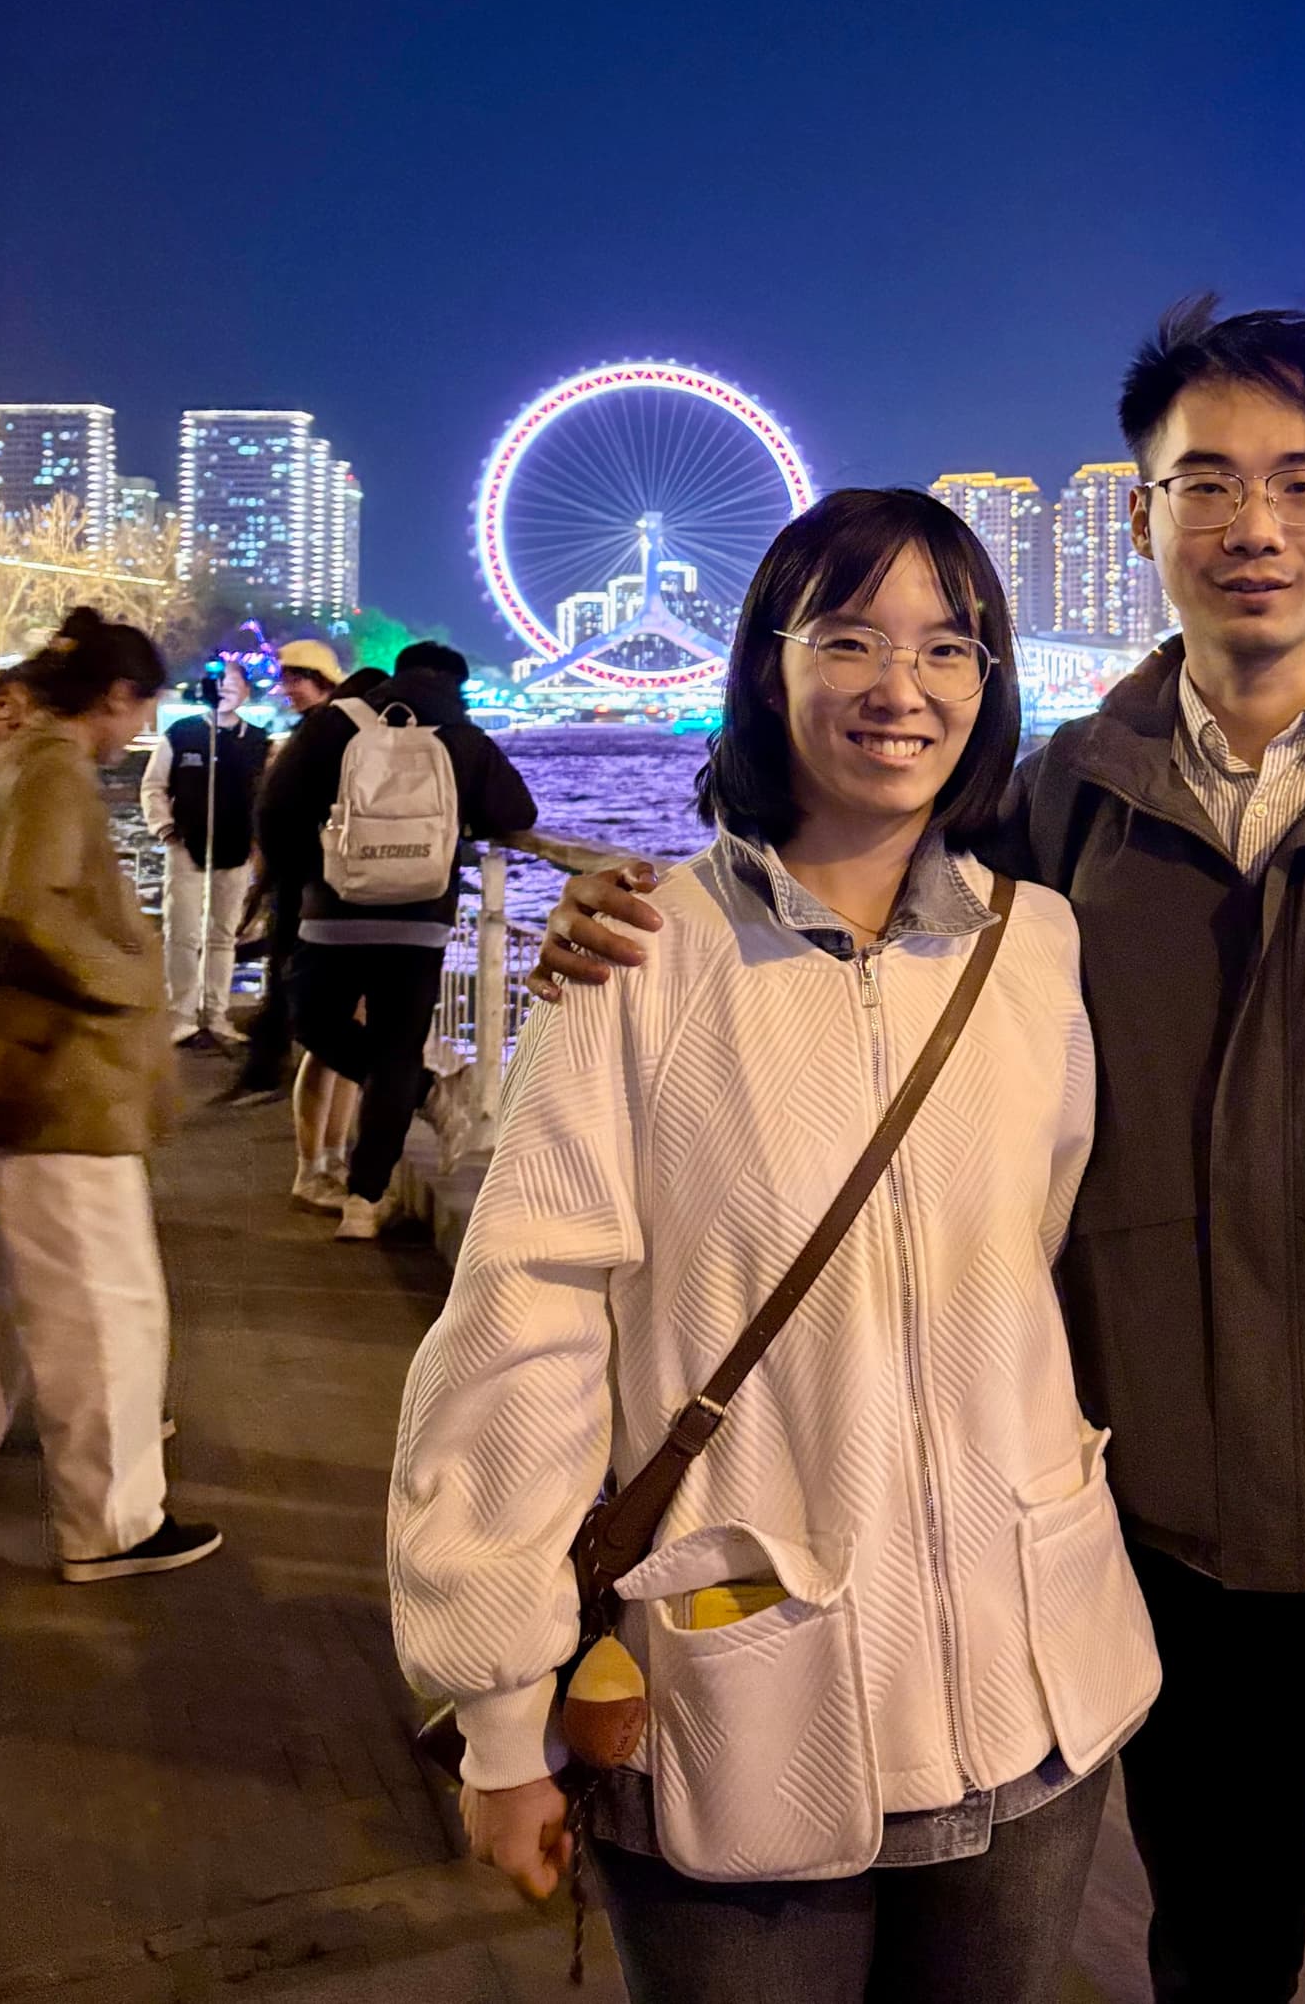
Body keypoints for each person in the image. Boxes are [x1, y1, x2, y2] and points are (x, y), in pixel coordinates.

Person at [542, 305, 1305, 2004]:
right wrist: (633, 909)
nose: (1253, 527)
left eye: (1301, 482)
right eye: (1201, 485)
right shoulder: (1062, 797)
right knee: (1204, 1937)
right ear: (1137, 518)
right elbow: (852, 886)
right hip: (1151, 1519)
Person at [390, 491, 1156, 2004]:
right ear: (767, 664)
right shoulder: (641, 957)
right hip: (742, 1693)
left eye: (950, 644)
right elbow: (525, 1321)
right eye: (852, 637)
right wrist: (496, 1708)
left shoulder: (1039, 948)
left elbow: (1036, 1241)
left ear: (992, 681)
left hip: (1030, 1685)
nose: (903, 684)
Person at [0, 608, 223, 1582]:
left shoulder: (15, 759)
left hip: (24, 1079)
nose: (140, 728)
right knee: (105, 1307)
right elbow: (24, 904)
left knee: (11, 1311)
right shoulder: (49, 765)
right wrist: (129, 978)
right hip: (61, 1087)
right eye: (143, 705)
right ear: (119, 696)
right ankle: (113, 1522)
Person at [260, 642, 535, 1239]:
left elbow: (278, 807)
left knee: (313, 1025)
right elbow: (519, 809)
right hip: (419, 921)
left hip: (331, 914)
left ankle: (423, 1091)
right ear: (454, 683)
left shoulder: (340, 721)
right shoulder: (460, 735)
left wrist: (314, 873)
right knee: (394, 1050)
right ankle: (364, 1203)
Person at [279, 667, 388, 1209]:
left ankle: (329, 1158)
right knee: (330, 1046)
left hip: (329, 909)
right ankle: (313, 1165)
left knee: (339, 1042)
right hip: (340, 911)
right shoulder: (343, 749)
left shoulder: (317, 747)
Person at [224, 640, 345, 1100]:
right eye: (285, 679)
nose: (285, 688)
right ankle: (270, 1065)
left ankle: (273, 1066)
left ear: (321, 681)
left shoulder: (326, 734)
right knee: (285, 971)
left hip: (311, 877)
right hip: (292, 874)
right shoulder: (309, 731)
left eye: (295, 679)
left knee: (296, 975)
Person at [140, 659, 269, 1048]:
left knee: (222, 936)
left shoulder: (258, 741)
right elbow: (153, 786)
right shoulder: (182, 734)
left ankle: (216, 1013)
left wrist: (258, 843)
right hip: (187, 849)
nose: (226, 689)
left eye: (234, 683)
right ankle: (181, 1013)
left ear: (246, 691)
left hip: (235, 851)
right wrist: (165, 829)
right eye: (220, 682)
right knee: (181, 933)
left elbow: (266, 797)